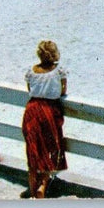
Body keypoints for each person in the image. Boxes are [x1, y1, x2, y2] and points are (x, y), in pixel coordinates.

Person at [21, 40, 68, 198]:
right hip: (49, 110)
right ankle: (43, 185)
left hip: (32, 110)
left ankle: (33, 186)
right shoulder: (59, 70)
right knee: (50, 147)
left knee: (32, 148)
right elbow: (63, 90)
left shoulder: (31, 71)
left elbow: (30, 90)